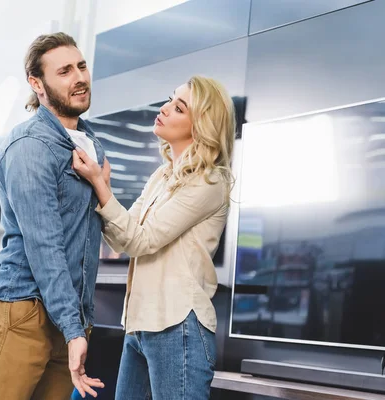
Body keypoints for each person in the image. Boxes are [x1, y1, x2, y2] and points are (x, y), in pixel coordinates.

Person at [72, 75, 235, 400]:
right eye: (170, 100)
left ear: (200, 124)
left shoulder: (210, 181)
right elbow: (121, 240)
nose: (164, 109)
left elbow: (141, 240)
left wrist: (101, 186)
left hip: (179, 327)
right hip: (140, 324)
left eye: (179, 108)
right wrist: (100, 190)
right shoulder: (162, 175)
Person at [0, 32, 105, 400]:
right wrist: (74, 329)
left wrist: (77, 326)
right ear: (37, 84)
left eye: (81, 66)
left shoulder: (92, 147)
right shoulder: (29, 147)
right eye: (64, 71)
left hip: (68, 318)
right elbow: (45, 246)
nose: (78, 77)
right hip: (22, 312)